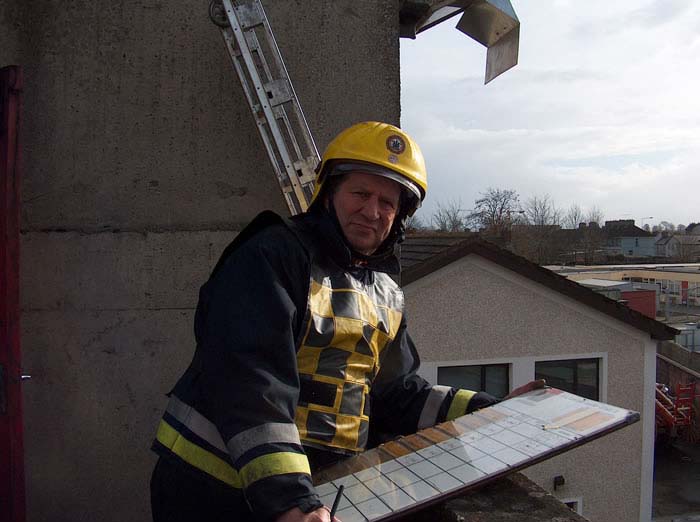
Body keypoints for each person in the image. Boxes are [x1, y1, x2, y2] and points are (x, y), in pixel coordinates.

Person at [150, 122, 539, 522]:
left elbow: (395, 394)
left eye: (388, 203)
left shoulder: (384, 288)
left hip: (310, 493)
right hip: (213, 488)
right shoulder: (273, 254)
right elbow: (251, 383)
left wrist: (492, 411)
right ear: (329, 192)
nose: (372, 211)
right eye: (360, 193)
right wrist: (290, 500)